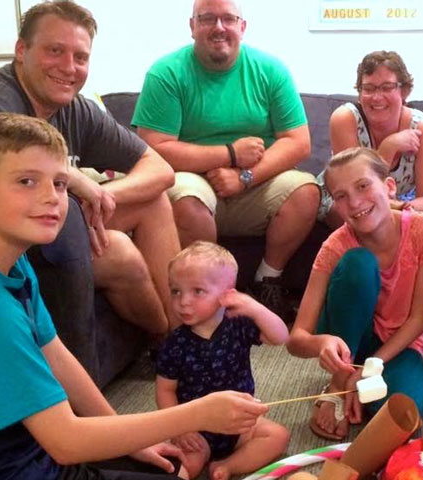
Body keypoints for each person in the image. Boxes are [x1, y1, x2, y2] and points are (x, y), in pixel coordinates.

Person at [0, 112, 269, 479]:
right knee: (179, 457)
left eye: (58, 183)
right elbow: (67, 442)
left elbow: (54, 351)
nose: (52, 198)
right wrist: (196, 414)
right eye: (26, 181)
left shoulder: (6, 262)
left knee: (165, 460)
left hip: (17, 451)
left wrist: (132, 441)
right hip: (3, 467)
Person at [0, 0, 180, 334]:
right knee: (118, 252)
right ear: (21, 50)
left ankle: (183, 340)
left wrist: (98, 195)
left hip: (54, 222)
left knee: (153, 200)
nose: (69, 67)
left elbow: (160, 170)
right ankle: (169, 341)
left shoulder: (74, 108)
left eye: (80, 57)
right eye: (55, 50)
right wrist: (66, 175)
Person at [132, 0, 319, 320]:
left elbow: (298, 142)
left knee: (306, 191)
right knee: (188, 198)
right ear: (192, 26)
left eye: (228, 19)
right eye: (207, 19)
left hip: (255, 181)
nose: (219, 27)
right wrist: (230, 154)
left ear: (242, 27)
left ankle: (267, 281)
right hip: (193, 177)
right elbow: (155, 147)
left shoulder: (271, 70)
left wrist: (244, 176)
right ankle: (204, 298)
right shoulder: (166, 73)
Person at [287, 147, 423, 440]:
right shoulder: (335, 247)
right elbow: (296, 340)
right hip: (351, 342)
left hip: (400, 346)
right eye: (341, 196)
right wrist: (323, 344)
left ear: (389, 186)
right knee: (359, 262)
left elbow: (419, 319)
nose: (355, 202)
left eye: (363, 186)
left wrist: (372, 368)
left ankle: (356, 386)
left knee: (405, 424)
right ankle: (339, 383)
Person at [154, 241, 290, 480]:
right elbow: (165, 390)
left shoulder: (238, 324)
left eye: (197, 291)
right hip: (198, 429)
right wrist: (181, 428)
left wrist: (255, 308)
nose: (183, 301)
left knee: (278, 436)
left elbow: (281, 337)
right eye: (176, 291)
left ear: (228, 295)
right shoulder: (174, 344)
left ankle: (228, 466)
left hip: (240, 423)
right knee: (183, 466)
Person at [320, 50, 423, 227]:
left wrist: (401, 209)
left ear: (404, 91)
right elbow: (351, 187)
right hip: (344, 201)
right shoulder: (345, 119)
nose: (377, 97)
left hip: (397, 206)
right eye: (368, 89)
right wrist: (389, 147)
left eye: (387, 87)